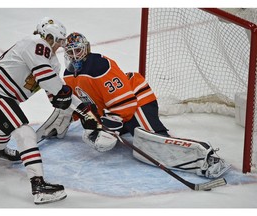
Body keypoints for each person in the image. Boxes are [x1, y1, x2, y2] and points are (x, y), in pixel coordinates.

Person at [37, 32, 231, 179]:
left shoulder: (99, 65)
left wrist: (110, 127)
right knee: (138, 146)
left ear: (86, 49)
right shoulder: (69, 75)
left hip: (137, 100)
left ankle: (206, 158)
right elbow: (82, 107)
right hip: (117, 110)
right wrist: (93, 126)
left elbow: (125, 101)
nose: (74, 56)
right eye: (70, 52)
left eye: (77, 50)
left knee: (152, 145)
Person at [0, 17, 81, 204]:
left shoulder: (51, 61)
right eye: (59, 41)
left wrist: (83, 108)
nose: (61, 45)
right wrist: (63, 94)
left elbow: (55, 92)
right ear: (49, 37)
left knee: (5, 124)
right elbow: (48, 80)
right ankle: (39, 186)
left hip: (1, 94)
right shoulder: (35, 43)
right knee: (25, 133)